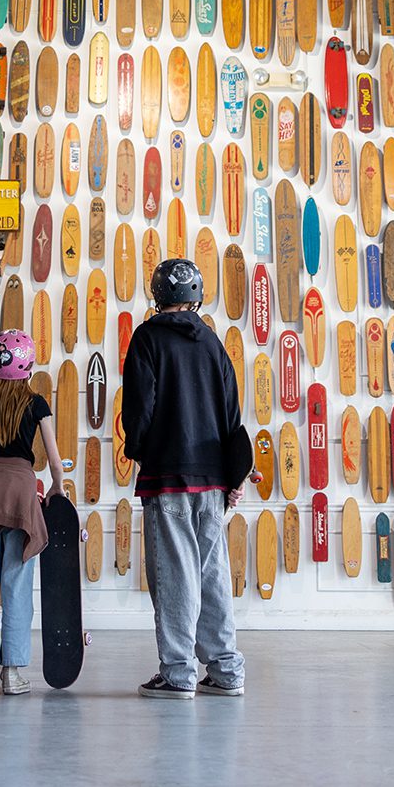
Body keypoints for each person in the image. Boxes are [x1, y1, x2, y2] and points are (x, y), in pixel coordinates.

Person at [121, 259, 250, 700]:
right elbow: (233, 417)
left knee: (175, 575)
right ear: (197, 296)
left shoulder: (147, 339)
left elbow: (140, 410)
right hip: (213, 479)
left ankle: (178, 673)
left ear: (158, 295)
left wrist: (137, 449)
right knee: (211, 573)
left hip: (167, 474)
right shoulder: (214, 344)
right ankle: (226, 668)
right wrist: (234, 477)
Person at [0, 330, 66, 697]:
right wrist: (56, 487)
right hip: (21, 493)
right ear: (29, 365)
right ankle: (12, 673)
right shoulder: (36, 404)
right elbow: (53, 457)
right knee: (16, 586)